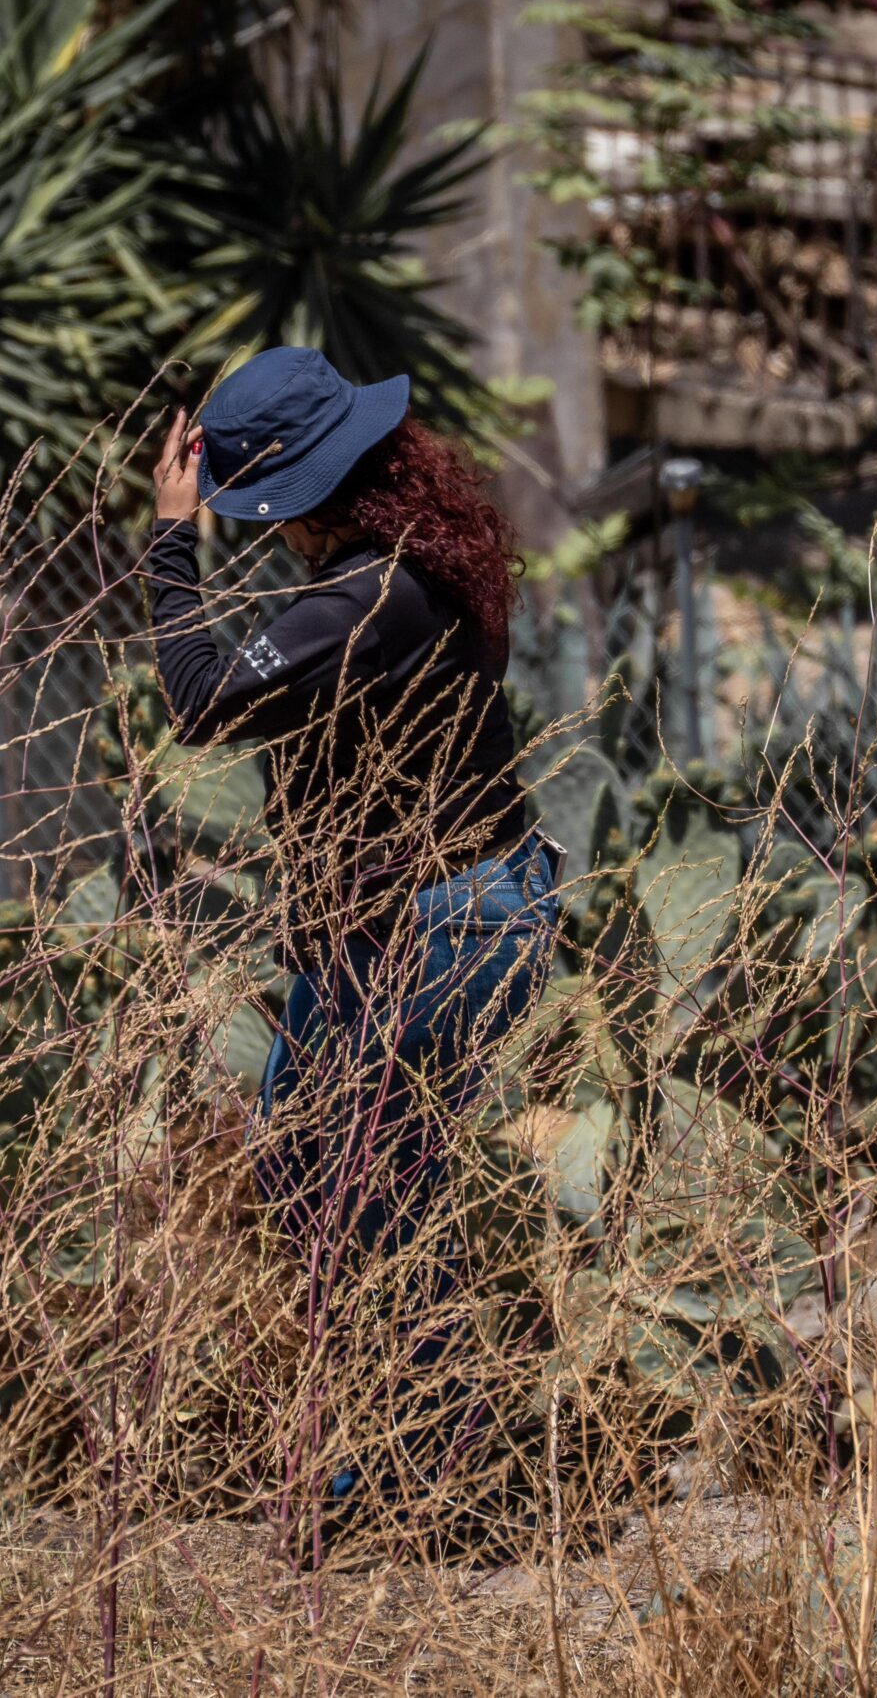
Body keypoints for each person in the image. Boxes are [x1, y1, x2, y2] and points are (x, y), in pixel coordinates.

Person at [144, 347, 557, 1560]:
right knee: (341, 1187)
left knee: (360, 1198)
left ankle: (442, 1474)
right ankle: (416, 1454)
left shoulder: (365, 598)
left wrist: (172, 543)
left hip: (426, 926)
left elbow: (205, 703)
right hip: (427, 917)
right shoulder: (419, 564)